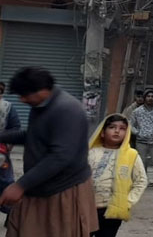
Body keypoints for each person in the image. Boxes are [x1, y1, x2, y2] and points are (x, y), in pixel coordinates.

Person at [0, 67, 97, 236]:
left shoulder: (66, 109)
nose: (22, 100)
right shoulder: (40, 105)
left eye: (25, 95)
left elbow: (60, 156)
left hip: (61, 189)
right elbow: (32, 135)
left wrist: (20, 185)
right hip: (39, 185)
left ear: (43, 90)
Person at [88, 114, 147, 237]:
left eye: (122, 128)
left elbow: (141, 181)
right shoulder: (91, 152)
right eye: (112, 127)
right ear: (102, 132)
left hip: (112, 211)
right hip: (87, 208)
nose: (117, 131)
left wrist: (127, 202)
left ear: (127, 133)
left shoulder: (131, 155)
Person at [130, 90, 153, 190]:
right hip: (142, 141)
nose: (150, 98)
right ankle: (144, 180)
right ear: (145, 98)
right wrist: (138, 133)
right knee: (142, 161)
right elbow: (131, 125)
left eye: (152, 96)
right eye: (148, 96)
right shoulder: (137, 111)